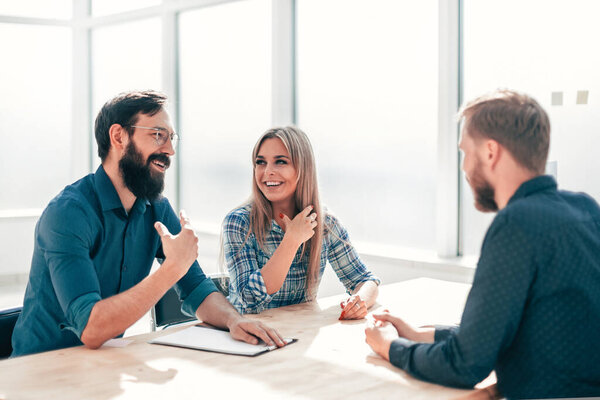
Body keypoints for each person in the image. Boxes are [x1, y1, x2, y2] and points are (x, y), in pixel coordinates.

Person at [364, 89, 600, 399]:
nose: (463, 168)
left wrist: (389, 347)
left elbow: (464, 365)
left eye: (465, 152)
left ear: (490, 152)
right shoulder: (586, 209)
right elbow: (516, 327)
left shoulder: (516, 223)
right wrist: (423, 334)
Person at [11, 90, 284, 357]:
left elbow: (197, 288)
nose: (170, 150)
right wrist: (172, 269)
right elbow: (91, 329)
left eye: (171, 138)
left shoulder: (157, 208)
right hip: (38, 370)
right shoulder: (68, 213)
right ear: (118, 136)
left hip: (101, 363)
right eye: (157, 135)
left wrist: (233, 321)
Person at [221, 126, 380, 318]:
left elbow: (364, 280)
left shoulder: (325, 223)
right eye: (260, 163)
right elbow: (248, 298)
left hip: (299, 333)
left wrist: (359, 300)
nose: (268, 171)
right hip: (249, 337)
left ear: (303, 169)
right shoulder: (239, 222)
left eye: (280, 162)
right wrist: (292, 240)